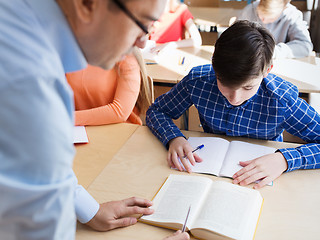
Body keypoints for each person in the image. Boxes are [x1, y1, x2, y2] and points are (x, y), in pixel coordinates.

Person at [0, 0, 189, 239]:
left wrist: (89, 210)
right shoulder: (30, 84)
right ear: (87, 4)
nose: (143, 42)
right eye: (142, 23)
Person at [146, 20, 320, 189]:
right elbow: (156, 111)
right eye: (224, 85)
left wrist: (284, 160)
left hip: (261, 182)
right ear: (214, 66)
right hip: (205, 174)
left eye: (247, 88)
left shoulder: (281, 100)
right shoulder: (199, 81)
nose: (234, 98)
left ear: (267, 70)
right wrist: (173, 137)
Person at [66, 47, 152, 126]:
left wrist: (66, 118)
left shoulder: (127, 55)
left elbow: (120, 112)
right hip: (77, 130)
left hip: (120, 131)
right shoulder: (70, 49)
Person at [236, 0, 313, 58]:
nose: (263, 21)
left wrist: (272, 52)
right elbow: (234, 37)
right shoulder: (249, 10)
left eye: (269, 18)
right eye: (260, 15)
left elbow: (305, 46)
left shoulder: (292, 15)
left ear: (283, 9)